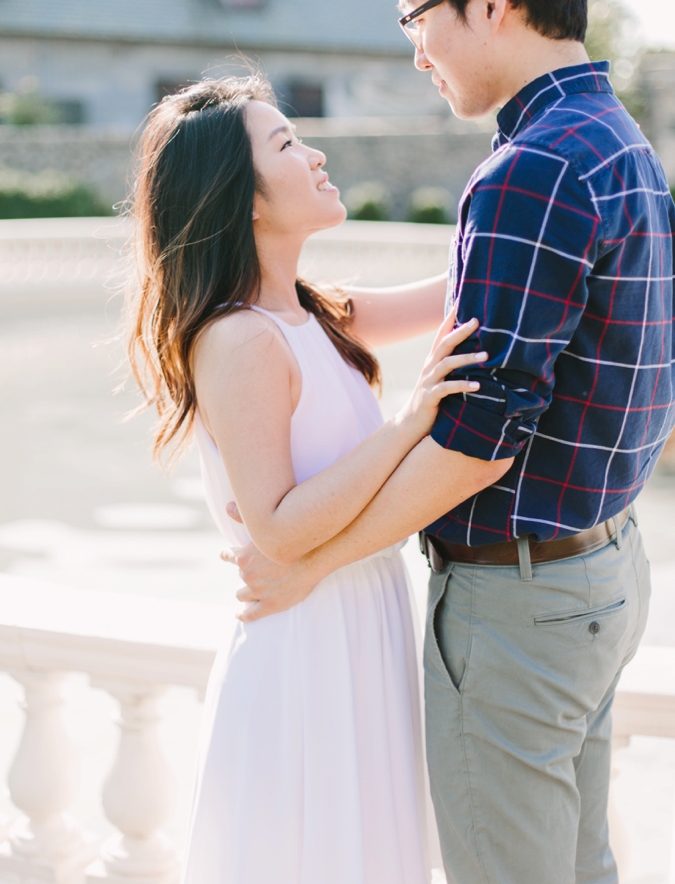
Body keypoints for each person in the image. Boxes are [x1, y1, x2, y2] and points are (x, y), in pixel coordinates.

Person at [226, 0, 675, 884]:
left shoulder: (530, 168)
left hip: (524, 602)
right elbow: (474, 302)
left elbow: (479, 444)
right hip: (600, 570)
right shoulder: (608, 140)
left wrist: (314, 563)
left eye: (415, 18)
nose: (414, 50)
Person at [126, 74, 480, 882]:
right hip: (305, 646)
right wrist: (411, 417)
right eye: (286, 143)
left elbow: (468, 288)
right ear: (242, 198)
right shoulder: (240, 340)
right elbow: (278, 526)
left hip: (360, 625)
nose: (316, 153)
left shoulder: (317, 313)